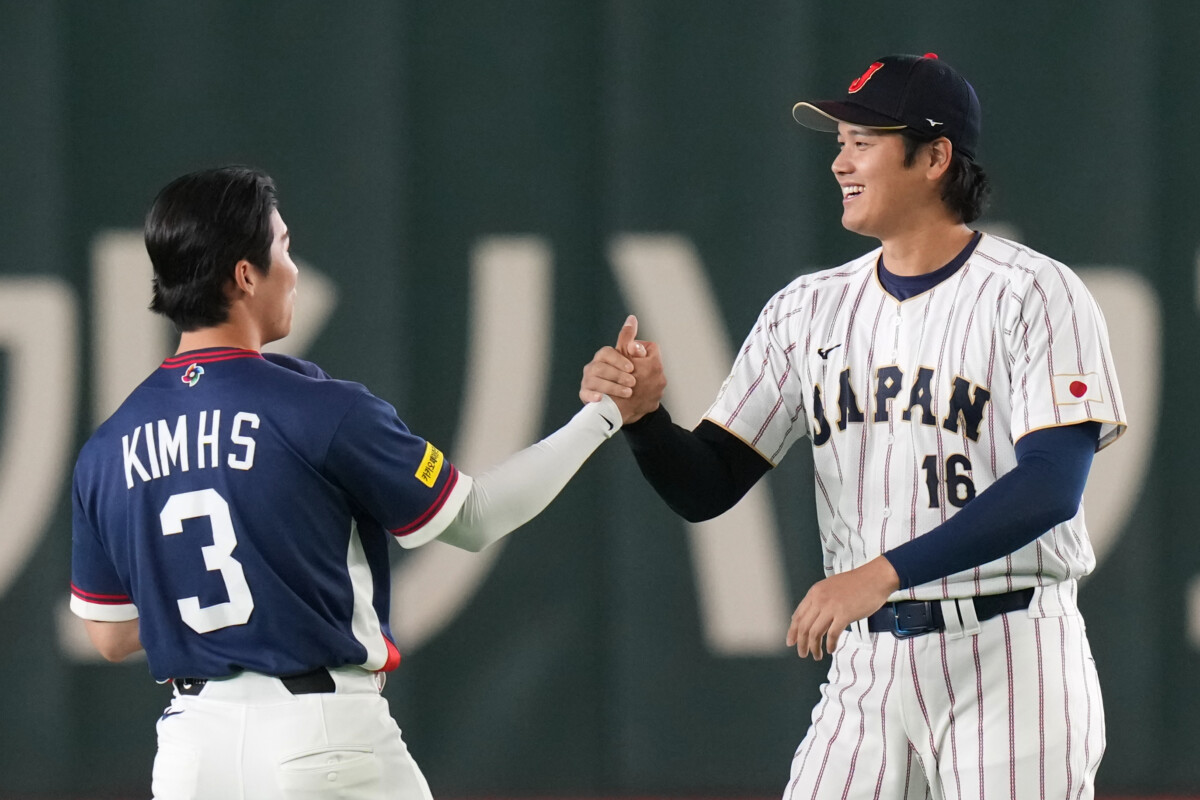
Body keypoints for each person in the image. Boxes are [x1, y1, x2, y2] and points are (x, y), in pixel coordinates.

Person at [581, 53, 1125, 799]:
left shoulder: (1033, 292)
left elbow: (1051, 488)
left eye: (863, 142)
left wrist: (879, 574)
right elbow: (708, 484)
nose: (840, 162)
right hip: (869, 664)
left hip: (1011, 650)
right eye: (840, 143)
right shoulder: (807, 309)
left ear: (935, 157)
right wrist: (645, 420)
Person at [70, 165, 623, 800]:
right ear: (245, 275)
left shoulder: (107, 447)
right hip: (319, 736)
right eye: (283, 247)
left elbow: (111, 634)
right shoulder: (321, 410)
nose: (293, 268)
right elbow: (474, 518)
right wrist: (604, 416)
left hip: (191, 753)